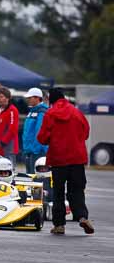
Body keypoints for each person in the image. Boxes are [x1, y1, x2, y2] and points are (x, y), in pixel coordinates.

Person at [37, 88, 94, 235]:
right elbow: (86, 132)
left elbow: (42, 138)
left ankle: (59, 225)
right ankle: (82, 217)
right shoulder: (77, 113)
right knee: (77, 190)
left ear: (51, 100)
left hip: (58, 159)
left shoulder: (50, 114)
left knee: (58, 193)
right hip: (77, 158)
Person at [0, 86, 19, 169]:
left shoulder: (12, 110)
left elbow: (13, 129)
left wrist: (4, 142)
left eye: (1, 97)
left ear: (8, 97)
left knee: (8, 169)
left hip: (8, 147)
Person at [22, 88, 49, 174]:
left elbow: (40, 131)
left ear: (37, 98)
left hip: (37, 151)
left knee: (36, 176)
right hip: (30, 150)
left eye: (30, 98)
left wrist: (35, 149)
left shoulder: (42, 112)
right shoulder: (32, 111)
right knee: (30, 176)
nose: (28, 100)